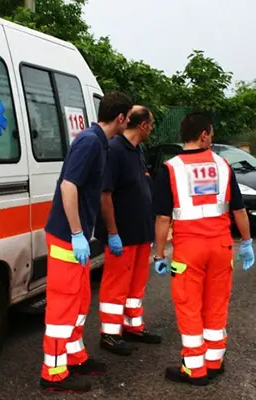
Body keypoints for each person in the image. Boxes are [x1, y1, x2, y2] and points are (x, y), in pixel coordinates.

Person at [152, 111, 255, 386]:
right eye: (211, 132)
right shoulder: (223, 165)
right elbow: (239, 210)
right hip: (221, 248)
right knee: (216, 305)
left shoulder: (170, 168)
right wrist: (246, 242)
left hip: (189, 251)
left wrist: (159, 254)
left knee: (189, 306)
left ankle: (194, 369)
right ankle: (214, 361)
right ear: (204, 135)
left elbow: (163, 218)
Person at [40, 91, 133, 393]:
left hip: (74, 237)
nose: (128, 123)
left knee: (79, 301)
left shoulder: (98, 142)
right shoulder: (90, 142)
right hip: (67, 237)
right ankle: (53, 373)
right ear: (120, 118)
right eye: (128, 118)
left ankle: (74, 357)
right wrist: (78, 233)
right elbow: (69, 186)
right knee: (63, 306)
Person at [94, 106, 163, 357]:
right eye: (152, 124)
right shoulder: (115, 150)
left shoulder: (137, 150)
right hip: (122, 234)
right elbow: (105, 195)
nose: (152, 128)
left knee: (136, 285)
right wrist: (112, 233)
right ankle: (110, 334)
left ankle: (132, 325)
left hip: (140, 232)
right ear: (143, 125)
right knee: (116, 284)